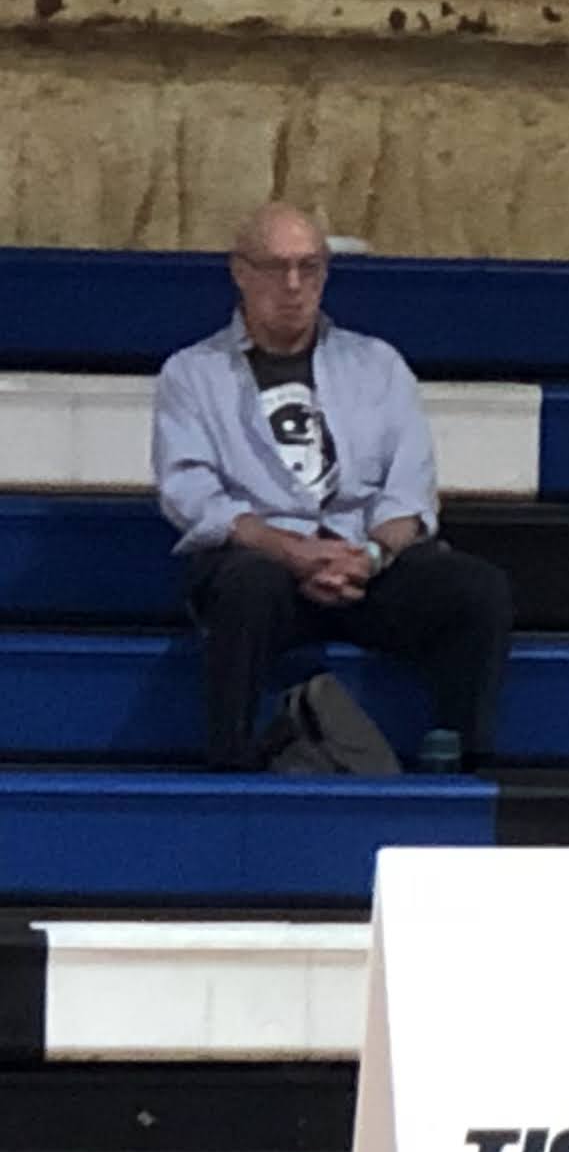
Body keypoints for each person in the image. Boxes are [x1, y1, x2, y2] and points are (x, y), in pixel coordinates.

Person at [150, 202, 515, 771]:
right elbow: (190, 492)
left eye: (310, 267)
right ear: (240, 272)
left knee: (478, 589)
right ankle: (230, 766)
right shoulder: (192, 373)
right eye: (276, 268)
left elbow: (411, 487)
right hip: (264, 562)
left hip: (365, 560)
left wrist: (370, 555)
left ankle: (462, 759)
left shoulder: (378, 364)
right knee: (244, 588)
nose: (294, 286)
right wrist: (289, 550)